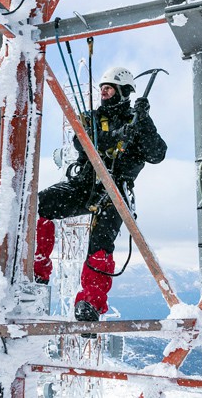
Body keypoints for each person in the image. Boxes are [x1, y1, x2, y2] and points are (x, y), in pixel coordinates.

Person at [34, 66, 167, 323]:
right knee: (39, 205)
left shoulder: (138, 123)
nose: (103, 94)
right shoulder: (92, 119)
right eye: (102, 89)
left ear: (123, 92)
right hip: (86, 184)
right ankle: (37, 274)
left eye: (108, 89)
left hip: (115, 190)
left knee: (101, 242)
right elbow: (83, 144)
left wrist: (144, 122)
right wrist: (114, 133)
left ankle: (90, 304)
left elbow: (157, 154)